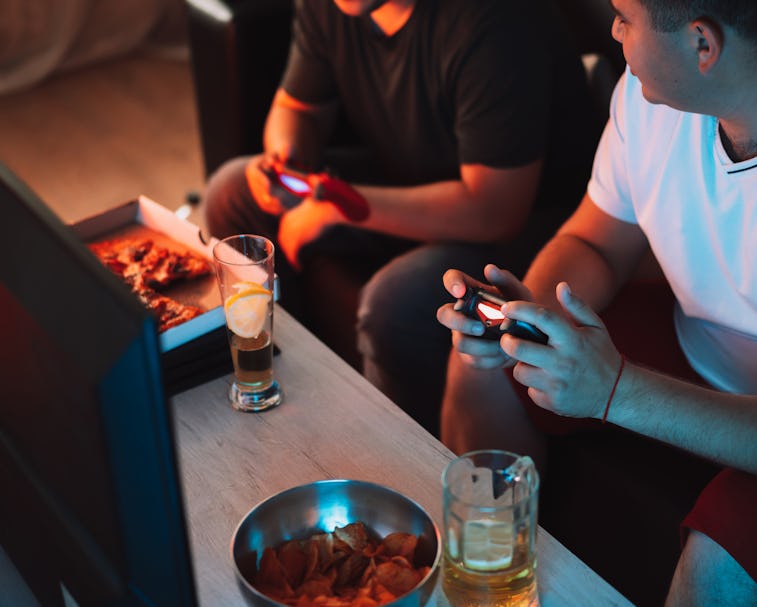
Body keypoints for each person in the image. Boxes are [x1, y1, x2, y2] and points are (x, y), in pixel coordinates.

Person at [437, 0, 757, 604]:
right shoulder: (651, 99)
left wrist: (615, 391)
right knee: (489, 366)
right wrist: (529, 317)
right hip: (697, 344)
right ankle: (492, 585)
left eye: (623, 16)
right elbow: (593, 241)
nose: (612, 32)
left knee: (716, 567)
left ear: (702, 45)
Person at [202, 0, 600, 435]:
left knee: (395, 302)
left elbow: (494, 210)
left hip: (529, 220)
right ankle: (286, 394)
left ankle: (400, 457)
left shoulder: (495, 22)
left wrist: (341, 209)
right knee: (234, 192)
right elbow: (297, 108)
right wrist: (285, 162)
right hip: (414, 177)